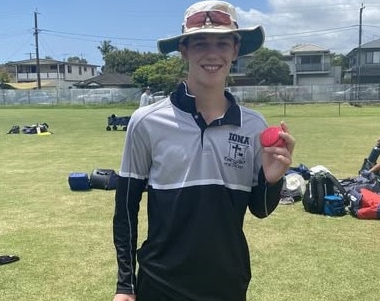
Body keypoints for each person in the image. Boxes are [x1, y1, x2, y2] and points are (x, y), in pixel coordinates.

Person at [112, 1, 295, 301]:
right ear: (184, 50)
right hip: (160, 284)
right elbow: (126, 210)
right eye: (200, 43)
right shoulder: (145, 121)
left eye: (223, 42)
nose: (212, 53)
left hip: (228, 283)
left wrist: (272, 180)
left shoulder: (253, 125)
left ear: (236, 50)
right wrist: (125, 285)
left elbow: (260, 210)